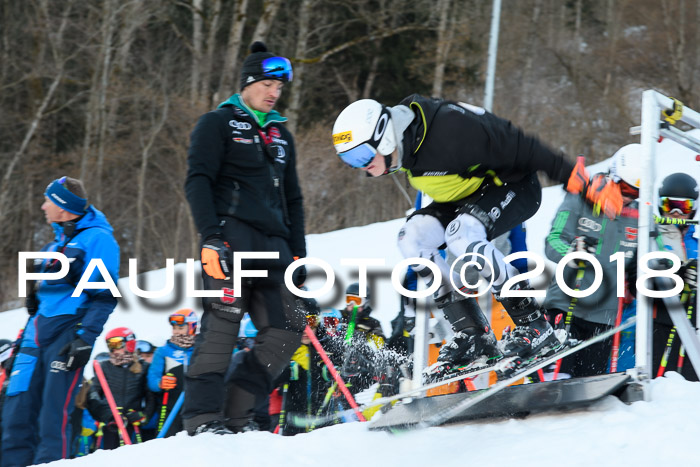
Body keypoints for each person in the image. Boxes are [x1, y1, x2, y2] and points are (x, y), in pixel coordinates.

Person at [331, 97, 620, 377]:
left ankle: (534, 326)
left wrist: (578, 179)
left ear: (384, 136)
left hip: (513, 186)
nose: (361, 167)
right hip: (465, 195)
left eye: (361, 156)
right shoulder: (406, 143)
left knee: (461, 236)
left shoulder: (448, 129)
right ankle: (472, 333)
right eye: (349, 160)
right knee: (412, 238)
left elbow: (520, 144)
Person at [182, 41, 307, 435]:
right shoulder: (217, 123)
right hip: (231, 239)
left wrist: (299, 259)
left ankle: (239, 415)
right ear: (248, 83)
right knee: (223, 326)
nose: (274, 92)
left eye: (280, 87)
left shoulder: (282, 137)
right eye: (268, 84)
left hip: (277, 247)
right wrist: (210, 236)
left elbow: (294, 200)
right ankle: (203, 419)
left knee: (288, 329)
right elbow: (198, 180)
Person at [1, 176, 120, 466]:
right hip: (34, 334)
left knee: (51, 418)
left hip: (68, 334)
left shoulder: (98, 239)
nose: (43, 206)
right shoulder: (52, 246)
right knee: (16, 412)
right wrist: (33, 297)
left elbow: (104, 296)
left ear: (64, 208)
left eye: (48, 201)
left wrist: (84, 338)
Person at [542, 144, 641, 377]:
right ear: (613, 176)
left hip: (606, 317)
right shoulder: (580, 200)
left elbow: (639, 269)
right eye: (626, 187)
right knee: (555, 380)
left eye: (637, 191)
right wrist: (572, 253)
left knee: (589, 385)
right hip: (567, 307)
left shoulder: (638, 218)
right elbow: (552, 241)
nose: (629, 196)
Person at [652, 172, 699, 381]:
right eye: (671, 205)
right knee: (660, 379)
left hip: (692, 324)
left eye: (685, 207)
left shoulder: (695, 241)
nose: (677, 213)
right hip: (659, 321)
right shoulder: (653, 235)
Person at [87, 327, 155, 450]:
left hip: (132, 422)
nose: (114, 349)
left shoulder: (144, 367)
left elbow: (151, 396)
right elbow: (93, 394)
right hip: (110, 422)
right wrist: (107, 415)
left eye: (117, 344)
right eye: (110, 345)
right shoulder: (104, 367)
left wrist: (144, 415)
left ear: (129, 344)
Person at [147, 309, 197, 437]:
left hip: (196, 409)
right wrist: (160, 383)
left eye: (181, 327)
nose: (176, 331)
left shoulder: (201, 350)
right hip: (170, 409)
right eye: (174, 328)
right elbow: (152, 380)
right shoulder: (163, 351)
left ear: (192, 327)